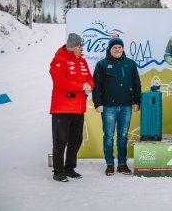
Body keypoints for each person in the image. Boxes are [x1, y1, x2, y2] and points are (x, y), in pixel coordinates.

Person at [92, 35, 141, 176]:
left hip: (126, 106)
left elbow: (136, 84)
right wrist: (98, 103)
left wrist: (136, 101)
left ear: (123, 49)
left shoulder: (130, 64)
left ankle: (122, 164)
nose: (117, 49)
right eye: (115, 47)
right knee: (108, 135)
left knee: (123, 135)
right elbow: (97, 86)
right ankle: (109, 164)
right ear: (110, 49)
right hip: (108, 107)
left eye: (120, 47)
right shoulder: (102, 64)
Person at [49, 33, 94, 182]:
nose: (82, 48)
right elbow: (60, 81)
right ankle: (58, 171)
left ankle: (69, 168)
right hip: (62, 109)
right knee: (60, 141)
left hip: (78, 109)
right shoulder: (58, 60)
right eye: (80, 46)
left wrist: (89, 86)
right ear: (72, 47)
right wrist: (81, 86)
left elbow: (89, 78)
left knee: (76, 140)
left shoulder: (82, 61)